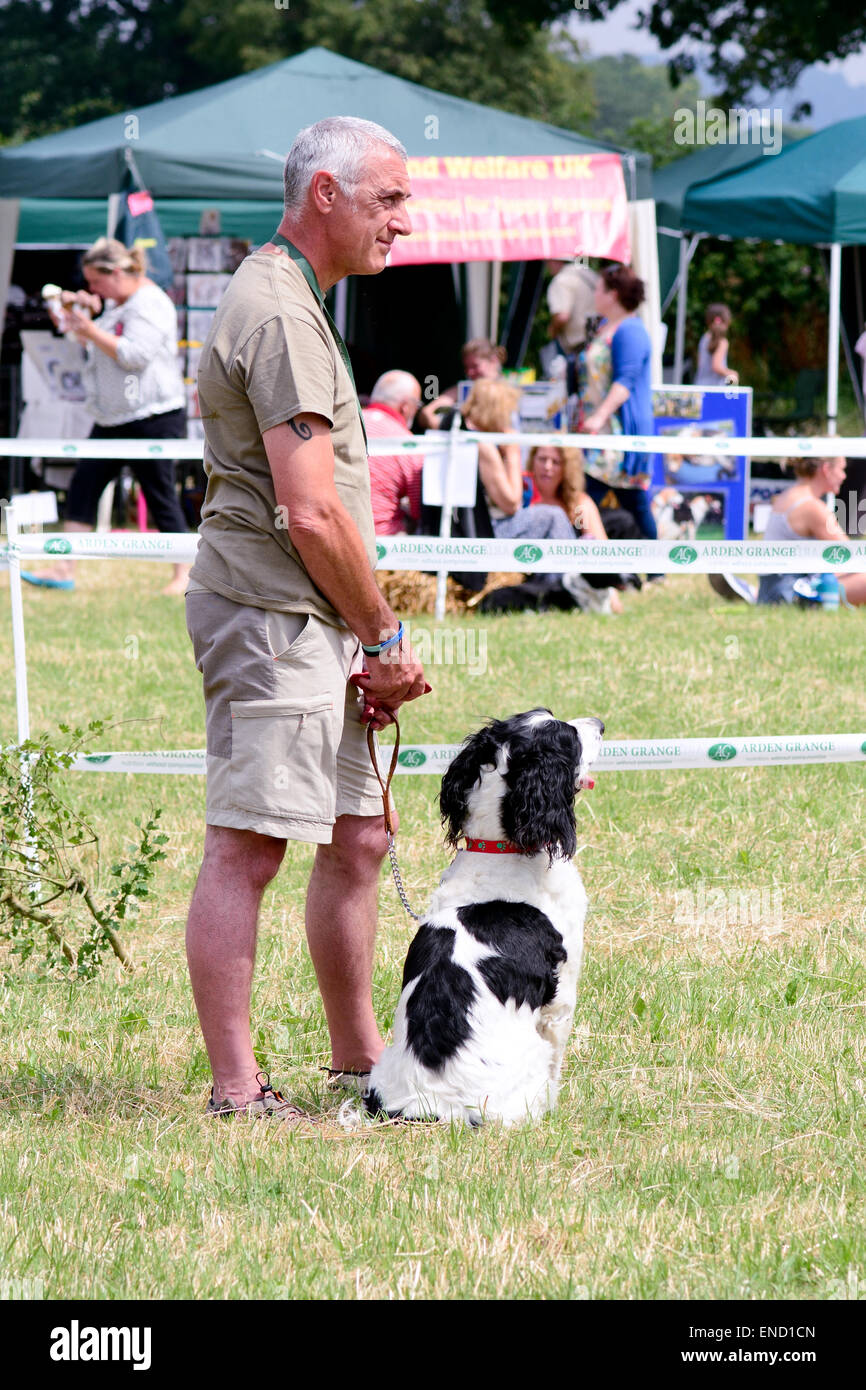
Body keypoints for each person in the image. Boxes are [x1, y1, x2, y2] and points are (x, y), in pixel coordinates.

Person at [184, 116, 429, 1119]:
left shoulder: (292, 297)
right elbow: (312, 507)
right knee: (248, 845)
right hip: (275, 612)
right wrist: (381, 635)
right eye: (387, 201)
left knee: (359, 836)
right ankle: (238, 1092)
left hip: (307, 612)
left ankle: (358, 1059)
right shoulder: (280, 312)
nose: (402, 224)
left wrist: (362, 630)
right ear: (322, 194)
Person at [22, 237, 191, 596]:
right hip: (114, 417)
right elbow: (100, 348)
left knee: (160, 494)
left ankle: (184, 574)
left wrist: (90, 330)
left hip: (153, 417)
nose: (91, 289)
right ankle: (63, 567)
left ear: (116, 272)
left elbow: (134, 355)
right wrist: (80, 324)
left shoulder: (150, 304)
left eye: (96, 281)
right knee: (83, 486)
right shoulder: (120, 302)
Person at [577, 265, 657, 546]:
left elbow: (626, 381)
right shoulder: (603, 327)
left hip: (616, 432)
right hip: (601, 431)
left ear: (613, 294)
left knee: (586, 492)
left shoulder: (631, 331)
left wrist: (598, 417)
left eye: (598, 288)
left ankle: (571, 552)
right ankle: (654, 566)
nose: (594, 294)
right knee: (631, 499)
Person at [758, 455, 866, 605]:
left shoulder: (788, 496)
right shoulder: (812, 508)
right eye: (842, 469)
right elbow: (854, 556)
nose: (844, 476)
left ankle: (752, 592)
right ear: (826, 469)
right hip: (791, 592)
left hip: (774, 586)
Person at [362, 369, 423, 535]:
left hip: (331, 531)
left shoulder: (345, 425)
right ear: (405, 407)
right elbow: (419, 509)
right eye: (416, 406)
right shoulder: (408, 443)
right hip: (379, 538)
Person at [415, 337, 507, 431]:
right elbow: (426, 414)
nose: (469, 372)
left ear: (493, 360)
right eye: (466, 367)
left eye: (475, 366)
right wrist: (447, 427)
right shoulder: (461, 391)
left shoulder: (512, 389)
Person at [547, 258, 599, 357]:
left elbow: (562, 317)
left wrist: (552, 330)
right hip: (600, 338)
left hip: (580, 345)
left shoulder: (561, 280)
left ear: (554, 261)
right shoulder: (588, 273)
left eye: (547, 262)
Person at [694, 303, 738, 387]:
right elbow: (716, 366)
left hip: (700, 385)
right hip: (716, 388)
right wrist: (732, 374)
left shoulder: (704, 338)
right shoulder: (722, 342)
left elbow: (699, 363)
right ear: (726, 321)